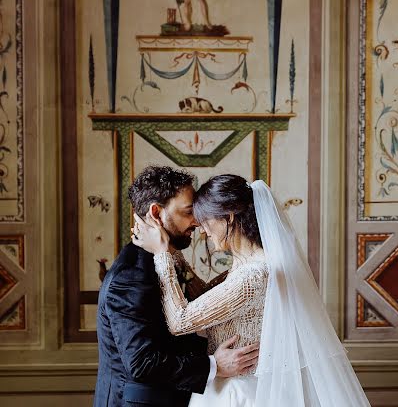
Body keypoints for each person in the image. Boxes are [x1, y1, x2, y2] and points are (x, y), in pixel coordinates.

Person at [132, 174, 372, 407]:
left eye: (206, 221)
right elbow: (206, 297)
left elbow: (181, 321)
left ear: (229, 217)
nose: (203, 230)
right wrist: (175, 256)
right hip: (229, 386)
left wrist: (162, 255)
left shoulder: (253, 276)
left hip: (243, 392)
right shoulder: (246, 265)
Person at [93, 166, 259, 407]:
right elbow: (142, 363)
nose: (197, 221)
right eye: (189, 212)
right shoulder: (131, 275)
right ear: (156, 213)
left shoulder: (166, 261)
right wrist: (215, 365)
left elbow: (174, 340)